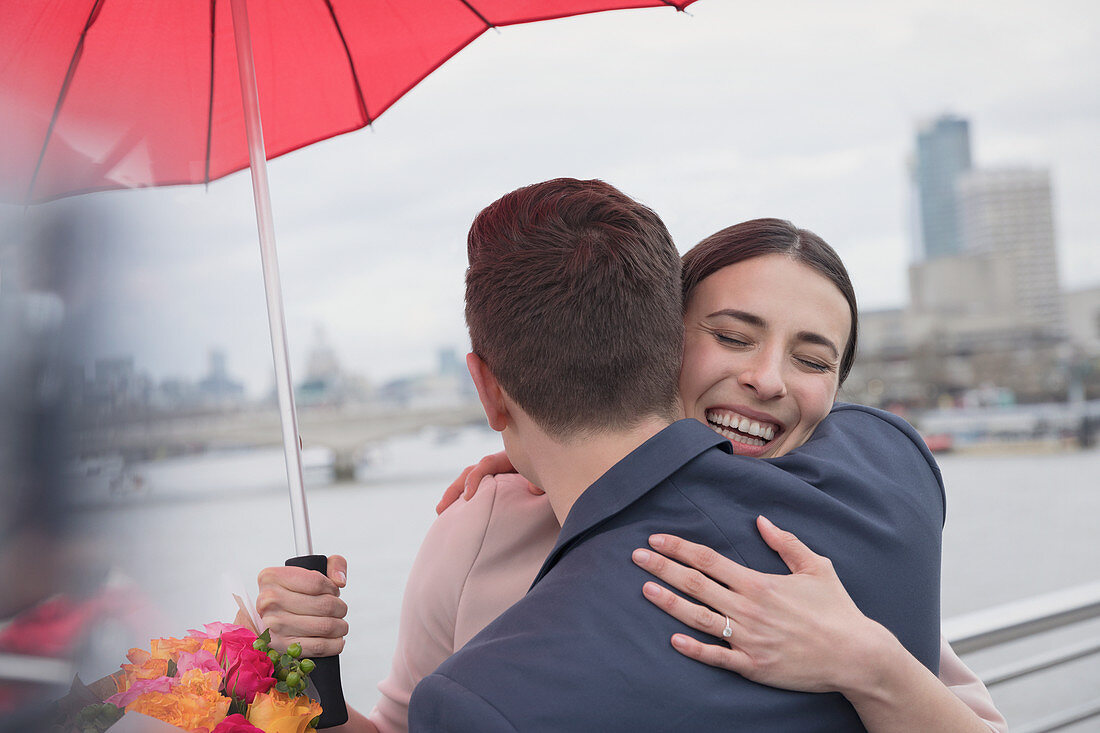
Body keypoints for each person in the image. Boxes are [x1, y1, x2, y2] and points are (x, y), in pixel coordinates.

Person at [253, 197, 1004, 730]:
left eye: (814, 358)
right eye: (734, 336)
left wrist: (867, 660)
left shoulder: (827, 548)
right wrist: (294, 671)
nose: (769, 379)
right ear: (659, 340)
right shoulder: (484, 523)